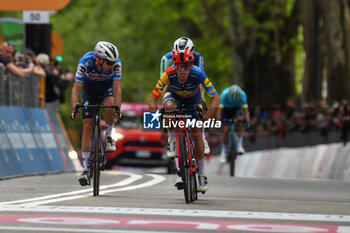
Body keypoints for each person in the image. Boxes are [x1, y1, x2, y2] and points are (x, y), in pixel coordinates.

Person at [149, 48, 220, 192]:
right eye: (179, 66)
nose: (182, 70)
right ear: (174, 65)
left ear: (191, 66)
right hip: (173, 98)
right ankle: (172, 141)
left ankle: (201, 175)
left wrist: (207, 115)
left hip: (193, 100)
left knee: (196, 132)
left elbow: (215, 97)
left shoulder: (198, 73)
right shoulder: (168, 74)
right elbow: (152, 99)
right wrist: (155, 114)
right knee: (168, 107)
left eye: (186, 66)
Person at [71, 41, 122, 186]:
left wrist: (118, 108)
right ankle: (86, 170)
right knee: (87, 124)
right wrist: (75, 108)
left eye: (113, 62)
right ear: (99, 59)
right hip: (90, 91)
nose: (112, 65)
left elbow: (118, 89)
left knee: (110, 104)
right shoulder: (85, 62)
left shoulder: (117, 64)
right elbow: (75, 89)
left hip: (107, 89)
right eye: (109, 62)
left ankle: (109, 135)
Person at [160, 37, 210, 156]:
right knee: (169, 110)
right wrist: (164, 104)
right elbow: (163, 84)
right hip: (173, 89)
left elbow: (200, 83)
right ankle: (171, 140)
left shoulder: (198, 58)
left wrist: (202, 103)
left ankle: (202, 137)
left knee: (199, 111)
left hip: (192, 89)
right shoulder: (166, 59)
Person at [217, 84, 250, 163]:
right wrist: (219, 121)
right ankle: (224, 151)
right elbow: (219, 111)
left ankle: (239, 145)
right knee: (226, 129)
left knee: (239, 121)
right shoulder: (224, 95)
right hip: (226, 110)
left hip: (236, 109)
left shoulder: (243, 95)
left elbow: (246, 111)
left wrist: (247, 122)